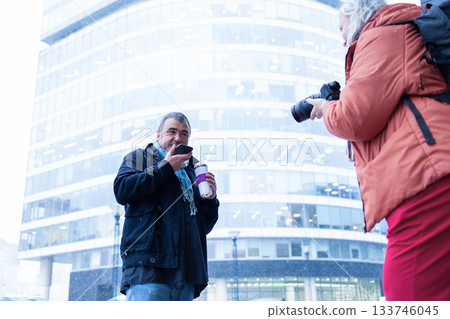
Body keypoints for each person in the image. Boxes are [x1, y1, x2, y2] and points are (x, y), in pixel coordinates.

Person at [306, 0, 450, 301]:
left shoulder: (383, 33)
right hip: (428, 174)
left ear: (357, 15)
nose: (343, 39)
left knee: (406, 290)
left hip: (427, 179)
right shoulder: (396, 33)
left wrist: (326, 107)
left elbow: (355, 118)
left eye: (342, 29)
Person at [113, 112, 219, 301]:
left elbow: (205, 227)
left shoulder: (192, 169)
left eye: (184, 133)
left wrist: (209, 200)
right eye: (172, 131)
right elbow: (122, 190)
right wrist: (166, 167)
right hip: (148, 270)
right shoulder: (139, 156)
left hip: (186, 274)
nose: (178, 138)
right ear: (158, 134)